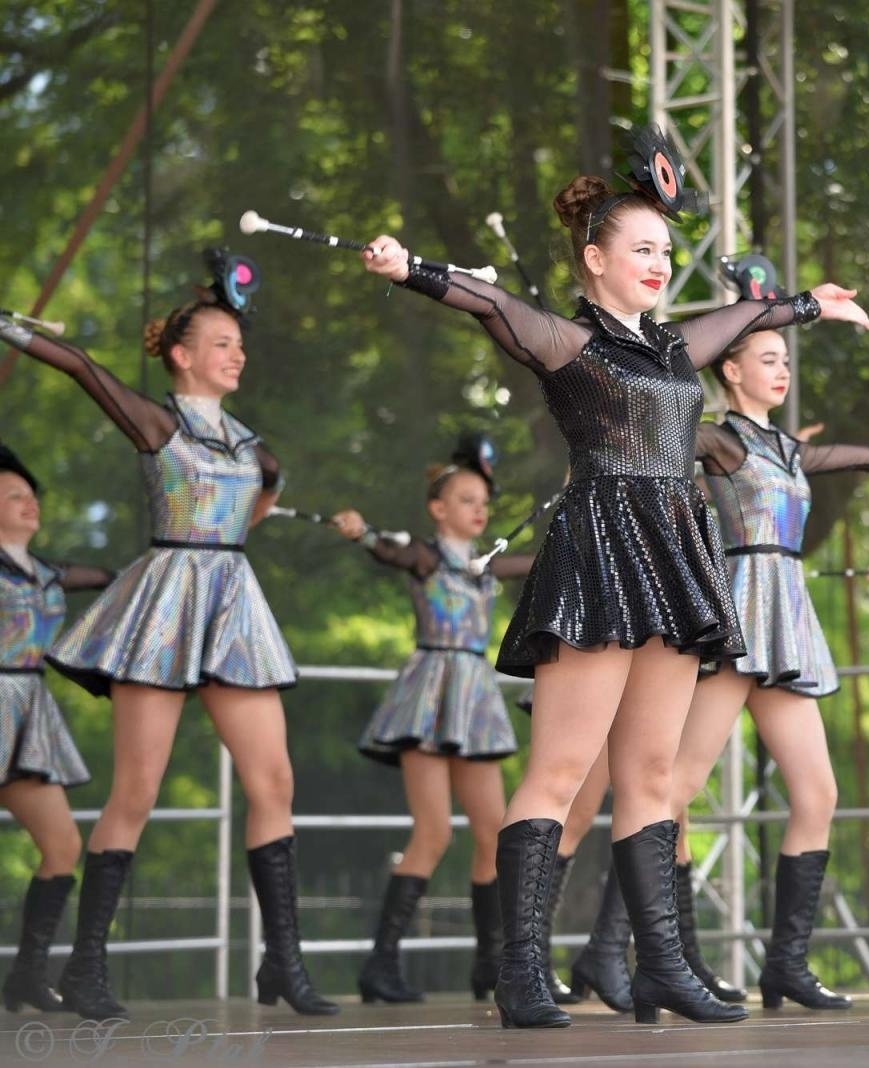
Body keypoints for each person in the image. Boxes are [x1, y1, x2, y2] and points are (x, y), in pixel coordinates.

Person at [357, 124, 869, 1028]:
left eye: (666, 251)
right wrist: (412, 270)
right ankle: (520, 971)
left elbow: (742, 319)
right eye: (642, 249)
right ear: (595, 259)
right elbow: (490, 303)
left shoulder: (671, 348)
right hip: (599, 549)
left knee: (650, 773)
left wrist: (806, 306)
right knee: (561, 768)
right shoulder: (569, 341)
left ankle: (661, 967)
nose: (660, 264)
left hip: (675, 551)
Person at [0, 259, 337, 1020]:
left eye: (239, 344)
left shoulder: (254, 447)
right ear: (181, 355)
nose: (237, 354)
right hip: (164, 606)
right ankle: (86, 967)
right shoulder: (159, 423)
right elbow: (81, 366)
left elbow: (261, 496)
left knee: (274, 783)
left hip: (234, 606)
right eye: (221, 343)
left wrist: (243, 522)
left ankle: (283, 962)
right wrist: (10, 327)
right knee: (137, 791)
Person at [667, 317, 869, 1011]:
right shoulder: (718, 439)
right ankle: (672, 957)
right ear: (731, 370)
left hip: (786, 623)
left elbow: (856, 455)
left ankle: (786, 964)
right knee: (673, 790)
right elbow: (654, 444)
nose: (782, 370)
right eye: (768, 359)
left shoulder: (789, 448)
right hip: (736, 617)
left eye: (785, 359)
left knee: (818, 795)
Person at [326, 435, 532, 1005]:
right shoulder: (425, 555)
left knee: (496, 833)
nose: (479, 509)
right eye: (466, 500)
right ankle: (380, 964)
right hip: (429, 696)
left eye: (483, 501)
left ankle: (491, 964)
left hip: (476, 700)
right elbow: (388, 550)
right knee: (434, 831)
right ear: (438, 508)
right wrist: (362, 533)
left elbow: (541, 561)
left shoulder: (488, 566)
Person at [0, 442, 113, 1012]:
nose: (30, 503)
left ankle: (26, 974)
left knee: (63, 844)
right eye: (13, 495)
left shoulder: (48, 573)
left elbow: (114, 578)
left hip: (27, 712)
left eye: (31, 495)